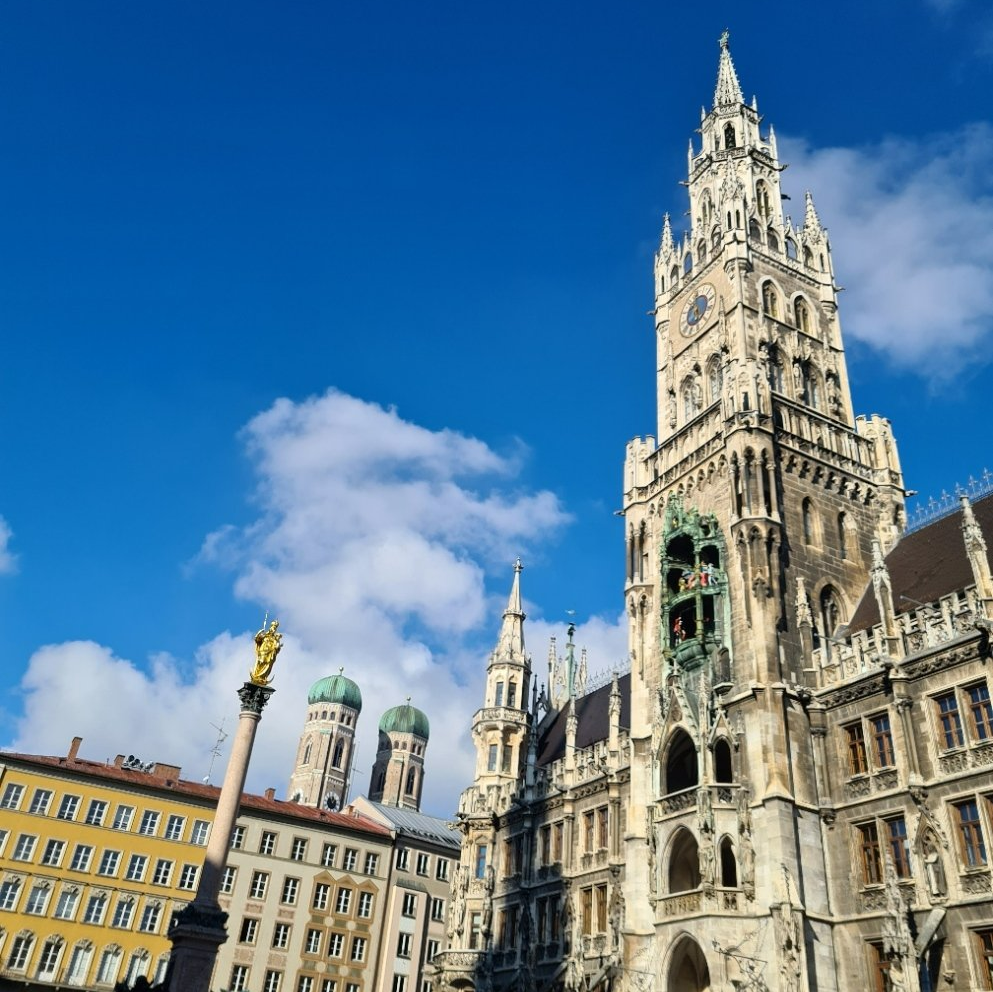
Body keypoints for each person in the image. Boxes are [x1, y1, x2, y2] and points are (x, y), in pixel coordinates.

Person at [251, 619, 283, 685]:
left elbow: (277, 648)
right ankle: (257, 675)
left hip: (270, 654)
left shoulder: (275, 639)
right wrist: (259, 633)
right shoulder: (265, 635)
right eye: (272, 627)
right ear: (270, 627)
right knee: (260, 662)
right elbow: (257, 640)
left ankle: (262, 677)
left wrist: (278, 647)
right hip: (263, 651)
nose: (273, 629)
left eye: (275, 628)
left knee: (267, 664)